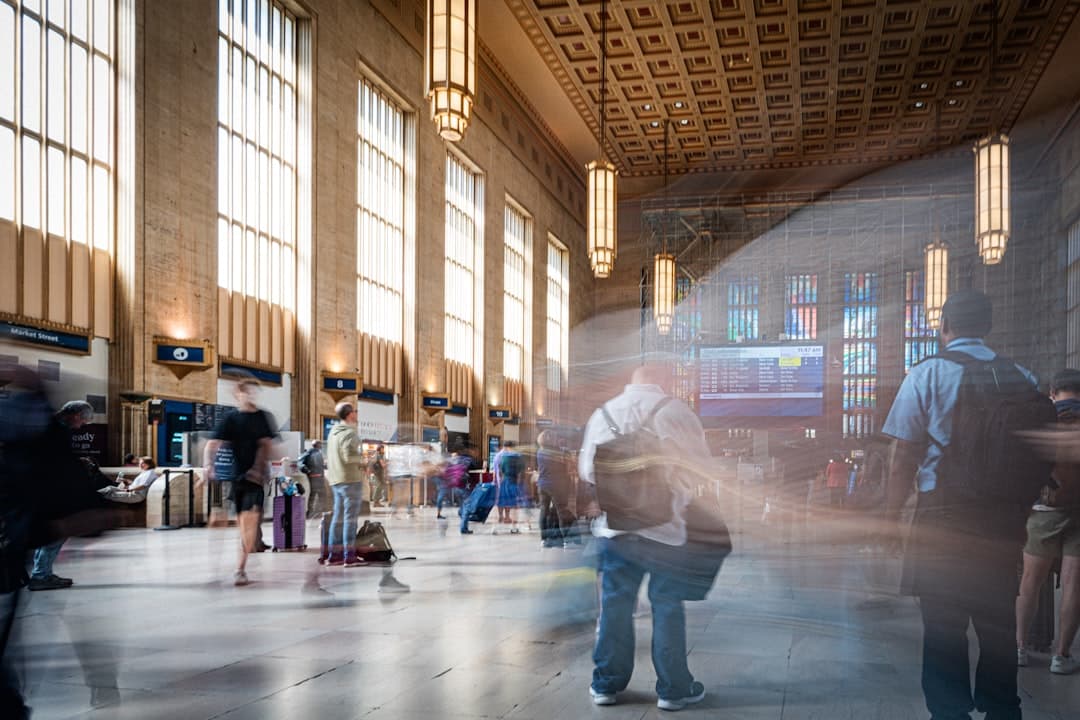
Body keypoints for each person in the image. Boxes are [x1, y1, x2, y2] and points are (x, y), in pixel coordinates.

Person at [882, 289, 1043, 720]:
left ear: (944, 327)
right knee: (997, 628)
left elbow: (903, 456)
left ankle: (949, 712)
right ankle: (1003, 710)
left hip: (942, 520)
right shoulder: (1023, 378)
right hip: (1002, 524)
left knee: (942, 627)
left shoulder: (926, 374)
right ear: (988, 328)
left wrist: (891, 515)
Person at [578, 363, 715, 711]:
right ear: (664, 379)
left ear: (632, 380)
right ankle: (673, 689)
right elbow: (702, 466)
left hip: (616, 528)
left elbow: (587, 470)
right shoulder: (676, 411)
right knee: (667, 605)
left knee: (615, 605)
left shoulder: (603, 413)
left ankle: (606, 684)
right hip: (665, 529)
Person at [1016, 369, 1080, 675]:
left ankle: (1019, 648)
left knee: (1030, 582)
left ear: (1053, 391)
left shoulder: (1044, 417)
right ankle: (1061, 655)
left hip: (1044, 508)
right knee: (1073, 586)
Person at [201, 378, 277, 586]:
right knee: (218, 521)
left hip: (254, 479)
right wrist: (208, 466)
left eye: (253, 391)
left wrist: (259, 468)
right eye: (245, 391)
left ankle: (240, 569)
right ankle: (217, 567)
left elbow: (267, 445)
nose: (250, 394)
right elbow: (212, 444)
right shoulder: (230, 418)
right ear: (238, 394)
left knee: (249, 523)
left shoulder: (262, 417)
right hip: (231, 477)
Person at [29, 400, 99, 591]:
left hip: (41, 487)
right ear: (76, 416)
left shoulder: (50, 424)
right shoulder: (56, 430)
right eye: (83, 422)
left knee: (51, 530)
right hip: (48, 489)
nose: (82, 426)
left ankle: (42, 572)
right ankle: (41, 575)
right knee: (57, 530)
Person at [324, 401, 367, 567]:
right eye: (355, 411)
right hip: (350, 480)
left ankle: (334, 556)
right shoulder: (350, 434)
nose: (356, 414)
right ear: (350, 414)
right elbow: (349, 458)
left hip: (336, 480)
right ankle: (349, 556)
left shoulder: (333, 432)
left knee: (338, 518)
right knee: (350, 519)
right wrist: (364, 461)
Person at [537, 431, 572, 548]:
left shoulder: (540, 452)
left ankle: (543, 539)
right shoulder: (557, 452)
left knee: (543, 511)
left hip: (542, 485)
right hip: (556, 485)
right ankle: (565, 540)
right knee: (561, 511)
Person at [496, 441, 523, 525]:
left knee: (502, 500)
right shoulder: (518, 457)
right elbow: (520, 471)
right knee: (514, 502)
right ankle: (512, 520)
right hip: (513, 481)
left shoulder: (503, 457)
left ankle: (502, 517)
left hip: (504, 481)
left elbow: (501, 470)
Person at [299, 440, 328, 518]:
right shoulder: (310, 452)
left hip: (319, 476)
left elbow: (320, 465)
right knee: (315, 494)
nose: (321, 446)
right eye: (320, 444)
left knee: (321, 494)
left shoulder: (318, 453)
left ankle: (320, 511)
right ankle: (312, 512)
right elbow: (300, 463)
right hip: (314, 476)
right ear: (317, 445)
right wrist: (308, 471)